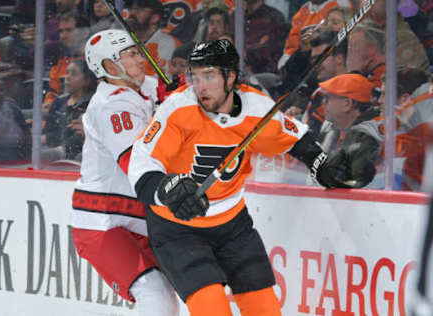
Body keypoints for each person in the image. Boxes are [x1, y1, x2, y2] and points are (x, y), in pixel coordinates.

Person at [128, 39, 373, 316]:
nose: (200, 86)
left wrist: (324, 168)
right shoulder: (178, 108)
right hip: (178, 229)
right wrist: (169, 188)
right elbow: (142, 165)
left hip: (232, 226)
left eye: (209, 75)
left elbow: (296, 141)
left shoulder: (256, 108)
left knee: (265, 310)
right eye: (195, 77)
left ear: (230, 76)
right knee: (213, 310)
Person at [70, 29, 179, 316]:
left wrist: (179, 95)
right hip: (103, 221)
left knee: (185, 286)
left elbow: (168, 94)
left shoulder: (139, 85)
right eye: (130, 55)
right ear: (110, 66)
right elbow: (137, 164)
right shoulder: (112, 107)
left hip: (135, 217)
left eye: (137, 52)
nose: (141, 59)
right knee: (156, 297)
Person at [43, 60, 96, 161]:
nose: (67, 77)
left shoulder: (92, 105)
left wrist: (49, 141)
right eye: (67, 73)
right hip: (52, 151)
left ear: (87, 80)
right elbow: (49, 129)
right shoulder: (59, 102)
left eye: (74, 74)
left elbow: (79, 139)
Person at [42, 12, 90, 110]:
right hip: (62, 110)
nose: (63, 36)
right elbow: (53, 91)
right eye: (61, 31)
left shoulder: (95, 61)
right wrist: (49, 103)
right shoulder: (62, 60)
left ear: (85, 33)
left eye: (69, 30)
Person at [126, 0, 178, 77]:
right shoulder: (124, 38)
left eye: (139, 10)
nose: (132, 13)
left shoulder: (166, 43)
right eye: (131, 9)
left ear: (154, 18)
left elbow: (158, 79)